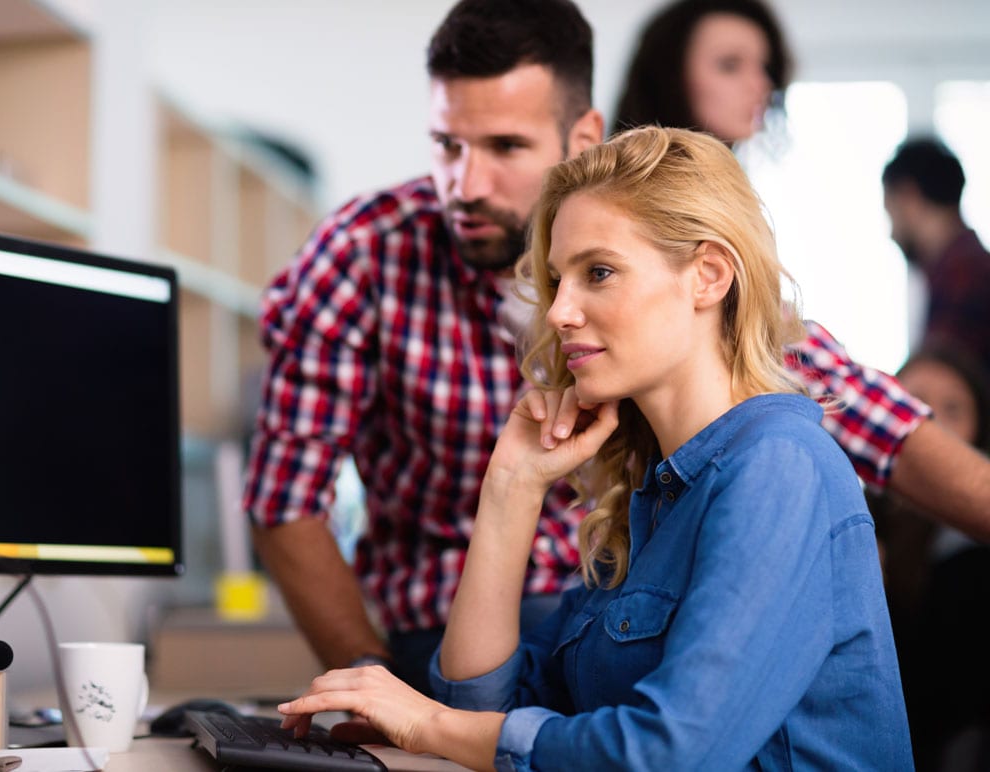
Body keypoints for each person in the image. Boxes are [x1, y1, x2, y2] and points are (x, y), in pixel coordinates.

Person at [242, 0, 989, 697]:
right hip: (438, 630)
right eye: (446, 144)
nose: (463, 184)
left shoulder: (724, 367)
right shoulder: (364, 253)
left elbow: (874, 421)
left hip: (624, 623)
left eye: (505, 146)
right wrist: (377, 691)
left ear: (581, 137)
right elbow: (287, 501)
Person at [278, 126, 913, 770]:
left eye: (599, 272)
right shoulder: (656, 498)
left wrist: (429, 723)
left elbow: (665, 753)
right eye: (559, 280)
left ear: (709, 276)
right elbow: (479, 703)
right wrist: (511, 488)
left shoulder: (778, 467)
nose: (558, 313)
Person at [871, 347, 990, 771]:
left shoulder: (972, 559)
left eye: (953, 409)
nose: (930, 426)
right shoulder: (852, 524)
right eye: (913, 405)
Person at [611, 0, 790, 145]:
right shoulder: (619, 186)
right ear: (670, 76)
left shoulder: (729, 183)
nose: (760, 85)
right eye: (730, 65)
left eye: (766, 68)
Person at [883, 138, 990, 373]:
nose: (891, 233)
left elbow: (940, 380)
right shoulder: (966, 264)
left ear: (907, 196)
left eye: (890, 213)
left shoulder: (963, 273)